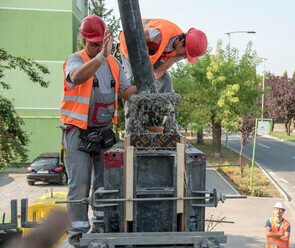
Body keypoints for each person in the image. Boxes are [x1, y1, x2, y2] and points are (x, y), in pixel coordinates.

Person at [59, 15, 137, 247]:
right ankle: (77, 232)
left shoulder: (113, 63)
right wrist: (101, 57)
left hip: (103, 131)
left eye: (99, 43)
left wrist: (145, 82)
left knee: (105, 184)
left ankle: (101, 224)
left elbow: (125, 92)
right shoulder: (75, 60)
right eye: (93, 43)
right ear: (84, 40)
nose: (96, 47)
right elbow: (75, 77)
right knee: (80, 184)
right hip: (78, 131)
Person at [119, 18, 208, 93]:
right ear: (181, 42)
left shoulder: (181, 52)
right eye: (186, 54)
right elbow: (136, 37)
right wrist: (144, 62)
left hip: (151, 54)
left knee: (166, 81)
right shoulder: (160, 33)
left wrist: (153, 77)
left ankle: (163, 112)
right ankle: (130, 111)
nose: (184, 57)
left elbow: (161, 70)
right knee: (130, 83)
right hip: (130, 43)